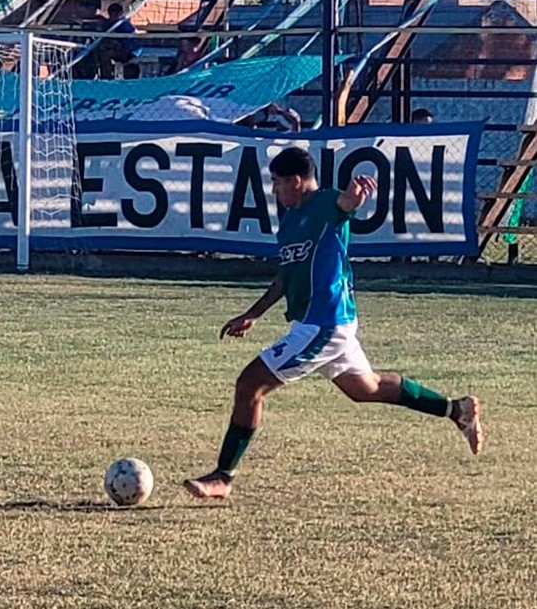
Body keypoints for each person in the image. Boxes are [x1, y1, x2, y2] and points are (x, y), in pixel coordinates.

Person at [183, 146, 483, 501]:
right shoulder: (291, 220)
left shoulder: (325, 204)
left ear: (296, 181)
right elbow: (285, 276)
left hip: (324, 325)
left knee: (250, 385)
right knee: (365, 389)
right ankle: (455, 409)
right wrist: (253, 313)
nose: (274, 190)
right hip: (319, 323)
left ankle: (223, 477)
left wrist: (354, 198)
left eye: (277, 183)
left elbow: (345, 205)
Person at [97, 3, 141, 80]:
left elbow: (127, 43)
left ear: (120, 13)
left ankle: (107, 77)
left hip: (130, 51)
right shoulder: (110, 24)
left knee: (105, 55)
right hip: (122, 49)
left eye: (116, 13)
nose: (114, 15)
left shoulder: (123, 25)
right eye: (112, 13)